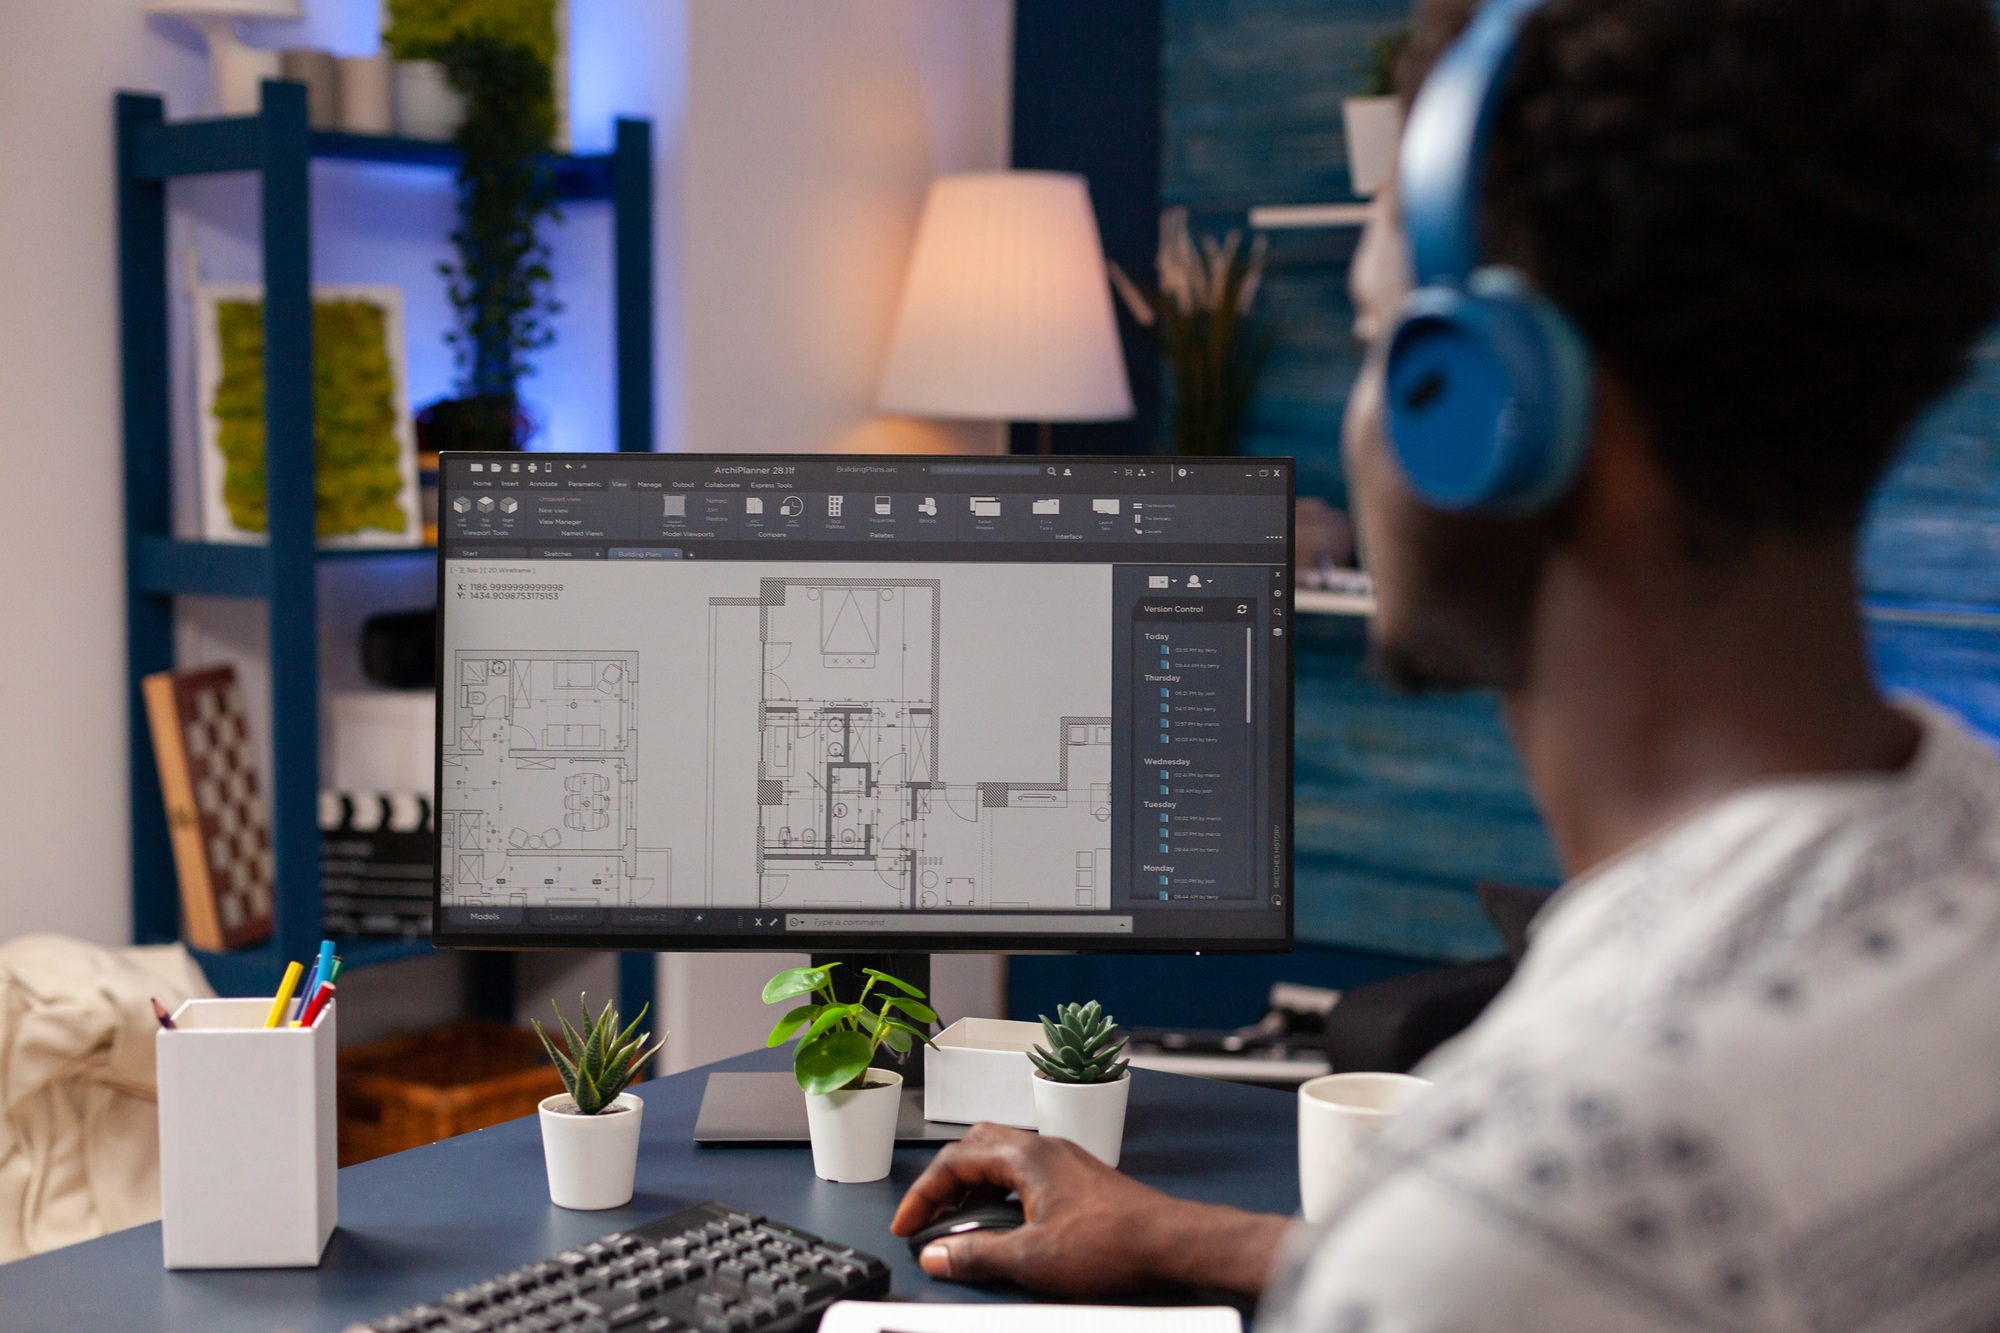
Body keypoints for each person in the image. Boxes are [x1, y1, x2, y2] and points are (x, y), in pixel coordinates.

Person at [890, 0, 2000, 1327]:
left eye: (1379, 345)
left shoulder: (1536, 1199)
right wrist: (1221, 1240)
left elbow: (1518, 1260)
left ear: (1477, 409)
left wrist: (1408, 1258)